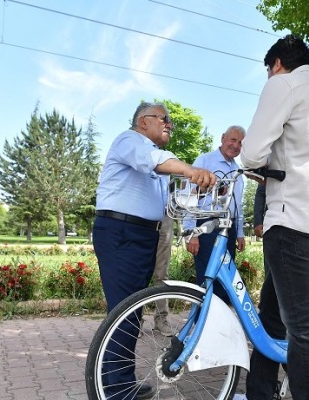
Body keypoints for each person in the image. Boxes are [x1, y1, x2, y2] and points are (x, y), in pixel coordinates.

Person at [239, 34, 309, 400]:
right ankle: (260, 392)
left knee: (303, 330)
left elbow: (252, 153)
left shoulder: (284, 84)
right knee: (270, 320)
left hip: (293, 222)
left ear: (275, 65)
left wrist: (259, 165)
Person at [93, 101, 216, 400]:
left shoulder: (157, 165)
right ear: (143, 121)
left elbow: (171, 203)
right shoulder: (131, 141)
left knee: (131, 312)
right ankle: (116, 390)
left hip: (142, 235)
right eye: (164, 118)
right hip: (122, 232)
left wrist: (197, 187)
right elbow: (157, 160)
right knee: (124, 311)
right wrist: (190, 169)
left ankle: (119, 382)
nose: (169, 124)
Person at [185, 126, 246, 303]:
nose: (235, 145)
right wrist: (191, 233)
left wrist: (240, 233)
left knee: (226, 277)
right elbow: (189, 196)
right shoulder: (204, 161)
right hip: (206, 226)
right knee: (206, 276)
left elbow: (238, 205)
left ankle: (221, 322)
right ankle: (203, 323)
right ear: (222, 138)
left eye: (240, 143)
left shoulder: (238, 172)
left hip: (229, 228)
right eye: (233, 140)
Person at [151, 214, 175, 336]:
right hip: (141, 214)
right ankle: (135, 320)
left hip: (166, 216)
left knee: (162, 274)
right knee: (138, 274)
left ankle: (161, 319)